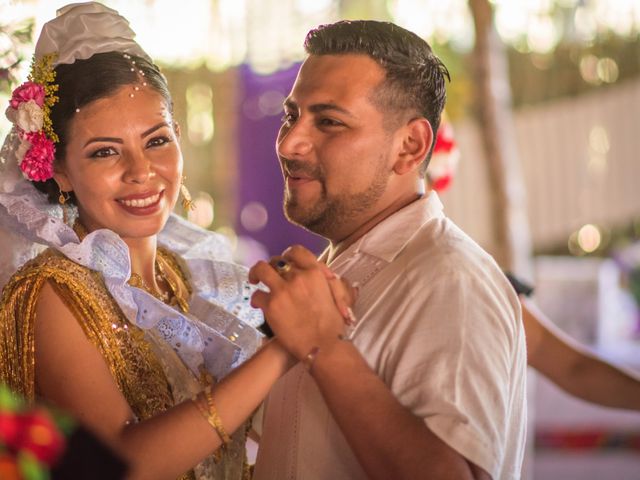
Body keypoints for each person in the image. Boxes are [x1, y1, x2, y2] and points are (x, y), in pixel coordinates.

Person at [0, 4, 351, 479]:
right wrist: (285, 348)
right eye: (105, 151)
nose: (142, 172)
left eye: (157, 140)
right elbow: (121, 466)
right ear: (59, 169)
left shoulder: (181, 274)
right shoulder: (49, 292)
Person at [249, 20, 527, 480]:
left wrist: (324, 348)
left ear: (409, 145)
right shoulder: (340, 265)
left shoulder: (449, 280)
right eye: (290, 116)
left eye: (329, 122)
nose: (289, 143)